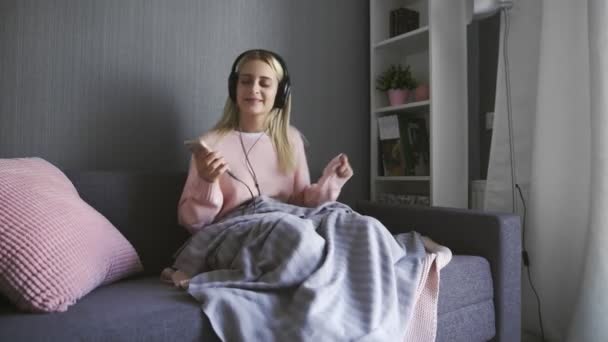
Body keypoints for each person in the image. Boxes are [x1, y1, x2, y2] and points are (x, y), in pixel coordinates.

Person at [177, 49, 353, 234]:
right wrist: (207, 182)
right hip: (235, 233)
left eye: (264, 83)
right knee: (299, 237)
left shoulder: (291, 140)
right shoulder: (210, 144)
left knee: (362, 226)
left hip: (288, 226)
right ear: (233, 87)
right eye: (245, 81)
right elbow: (191, 223)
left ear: (280, 93)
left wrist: (333, 180)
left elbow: (304, 206)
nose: (254, 89)